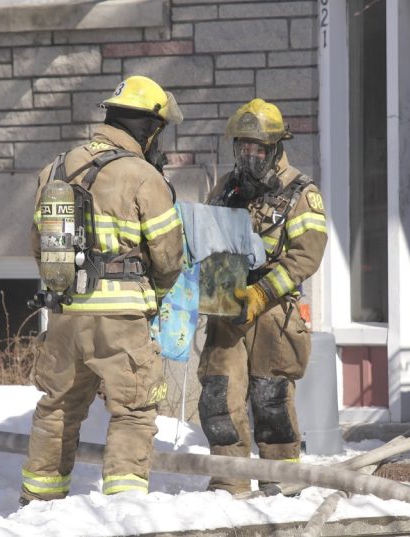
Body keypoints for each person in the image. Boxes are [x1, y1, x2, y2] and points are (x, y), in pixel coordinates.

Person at [21, 75, 184, 504]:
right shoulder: (143, 176)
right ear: (149, 129)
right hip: (121, 320)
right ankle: (124, 511)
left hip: (64, 314)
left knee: (57, 407)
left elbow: (39, 246)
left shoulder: (56, 168)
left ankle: (38, 505)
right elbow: (169, 257)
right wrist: (154, 297)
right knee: (133, 410)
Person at [197, 98, 328, 494]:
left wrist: (260, 293)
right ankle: (228, 482)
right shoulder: (227, 188)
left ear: (275, 148)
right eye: (243, 148)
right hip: (227, 307)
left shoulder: (301, 193)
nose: (249, 157)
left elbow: (306, 257)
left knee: (271, 400)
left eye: (258, 149)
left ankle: (282, 483)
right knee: (219, 395)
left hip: (273, 311)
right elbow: (208, 239)